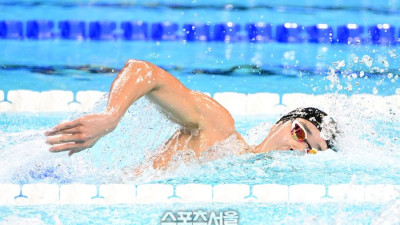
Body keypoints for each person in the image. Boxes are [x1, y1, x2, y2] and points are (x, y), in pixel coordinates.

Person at [45, 59, 338, 170]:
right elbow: (145, 72)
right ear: (279, 124)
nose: (297, 147)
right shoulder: (220, 130)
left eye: (311, 151)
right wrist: (111, 117)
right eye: (300, 132)